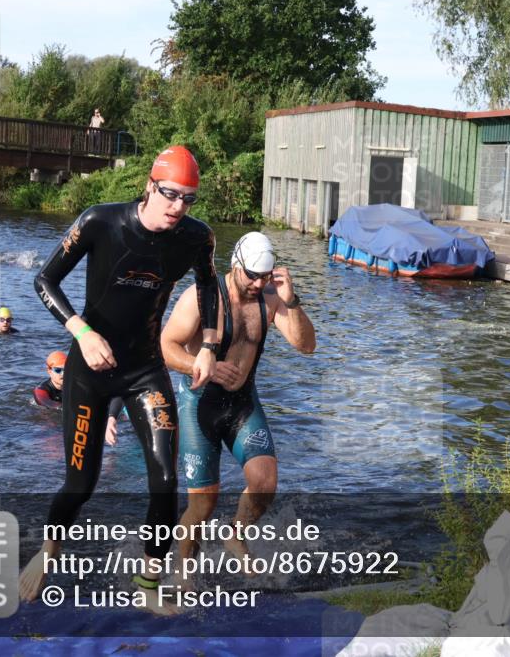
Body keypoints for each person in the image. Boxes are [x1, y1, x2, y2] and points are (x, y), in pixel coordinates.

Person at [19, 145, 220, 612]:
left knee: (166, 478)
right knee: (81, 485)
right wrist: (81, 332)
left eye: (189, 199)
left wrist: (208, 345)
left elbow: (209, 285)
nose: (178, 207)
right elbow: (45, 281)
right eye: (170, 194)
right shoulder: (99, 222)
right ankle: (49, 550)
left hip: (145, 369)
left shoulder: (196, 237)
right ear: (150, 186)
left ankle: (149, 583)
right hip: (89, 369)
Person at [162, 232, 315, 573]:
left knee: (265, 482)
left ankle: (235, 535)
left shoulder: (271, 298)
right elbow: (166, 347)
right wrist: (204, 366)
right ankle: (184, 573)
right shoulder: (201, 297)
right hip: (199, 402)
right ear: (235, 266)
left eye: (265, 276)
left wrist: (292, 301)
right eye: (252, 276)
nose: (259, 284)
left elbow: (306, 346)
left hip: (243, 402)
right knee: (203, 504)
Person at [34, 350, 125, 442]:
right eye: (58, 370)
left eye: (66, 370)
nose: (63, 374)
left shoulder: (78, 383)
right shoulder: (41, 390)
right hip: (54, 417)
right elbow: (47, 403)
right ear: (49, 371)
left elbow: (112, 392)